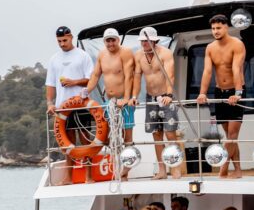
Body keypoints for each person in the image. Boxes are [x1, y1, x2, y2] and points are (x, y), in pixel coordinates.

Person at [196, 15, 246, 178]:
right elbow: (207, 72)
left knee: (232, 135)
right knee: (230, 136)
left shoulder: (237, 44)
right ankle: (238, 170)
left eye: (219, 28)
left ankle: (223, 168)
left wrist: (238, 93)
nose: (215, 31)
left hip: (235, 92)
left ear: (226, 27)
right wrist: (202, 93)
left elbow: (236, 69)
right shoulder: (210, 48)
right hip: (220, 92)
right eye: (213, 28)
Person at [45, 25, 95, 185]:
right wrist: (50, 103)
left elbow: (91, 80)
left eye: (64, 40)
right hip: (63, 107)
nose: (62, 44)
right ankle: (69, 177)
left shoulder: (83, 56)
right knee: (67, 144)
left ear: (71, 37)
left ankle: (89, 176)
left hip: (81, 105)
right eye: (59, 41)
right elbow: (50, 84)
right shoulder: (54, 59)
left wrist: (73, 82)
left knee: (85, 141)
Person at [131, 26, 181, 180]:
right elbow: (138, 77)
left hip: (166, 96)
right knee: (156, 135)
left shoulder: (165, 53)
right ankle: (161, 169)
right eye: (142, 41)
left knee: (170, 133)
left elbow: (170, 75)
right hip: (150, 97)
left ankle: (175, 167)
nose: (144, 43)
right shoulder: (138, 55)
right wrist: (134, 96)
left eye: (147, 41)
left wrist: (168, 94)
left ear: (155, 41)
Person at [86, 28, 136, 178]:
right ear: (104, 42)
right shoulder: (101, 54)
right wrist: (85, 91)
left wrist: (127, 98)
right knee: (113, 136)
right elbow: (95, 75)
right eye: (108, 40)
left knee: (127, 136)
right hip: (110, 102)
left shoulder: (125, 52)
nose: (111, 43)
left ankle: (127, 166)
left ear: (118, 40)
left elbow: (129, 76)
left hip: (124, 101)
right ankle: (117, 165)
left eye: (113, 40)